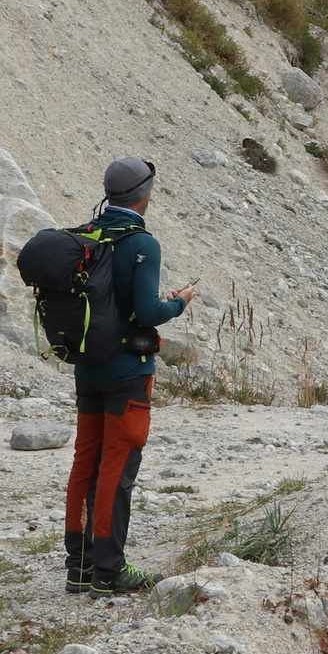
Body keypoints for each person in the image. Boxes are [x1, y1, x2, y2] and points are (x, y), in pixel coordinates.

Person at [64, 156, 195, 596]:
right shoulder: (142, 244)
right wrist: (180, 302)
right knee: (116, 468)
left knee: (87, 460)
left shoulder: (89, 235)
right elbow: (147, 312)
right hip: (127, 373)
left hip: (87, 368)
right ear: (146, 194)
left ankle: (79, 567)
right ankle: (109, 570)